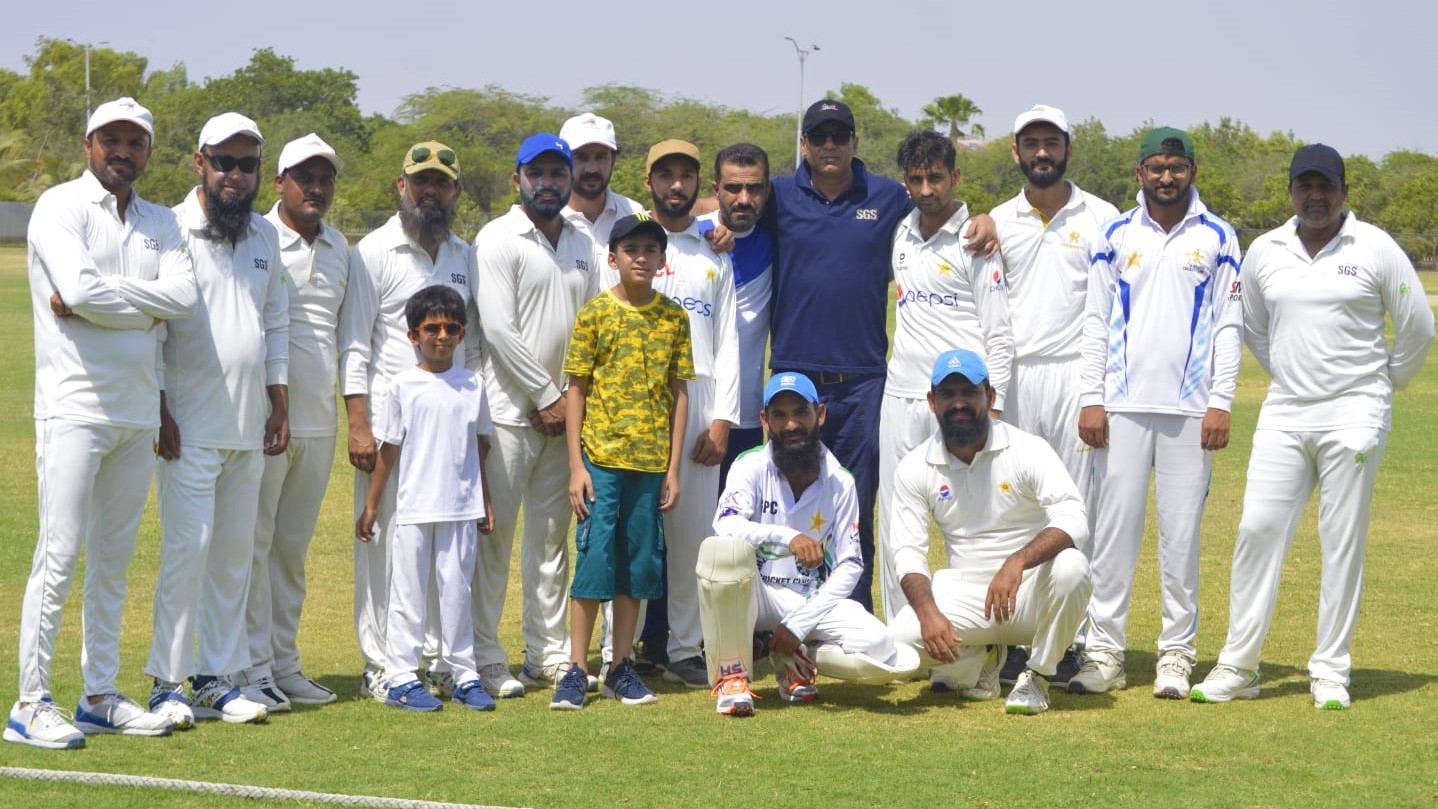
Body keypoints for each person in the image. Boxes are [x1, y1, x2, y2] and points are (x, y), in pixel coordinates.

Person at [1191, 144, 1434, 710]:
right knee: (1256, 530)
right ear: (1292, 191)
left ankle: (1330, 670)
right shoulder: (1266, 250)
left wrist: (1381, 383)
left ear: (1345, 192)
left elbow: (1417, 325)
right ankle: (1239, 666)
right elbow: (1254, 327)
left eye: (1326, 186)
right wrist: (1290, 375)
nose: (1316, 196)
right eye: (1306, 186)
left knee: (1340, 540)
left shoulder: (1374, 246)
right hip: (1286, 410)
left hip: (1355, 411)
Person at [8, 98, 196, 749]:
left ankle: (100, 695)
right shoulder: (60, 205)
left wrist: (106, 299)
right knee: (58, 554)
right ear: (89, 143)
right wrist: (138, 305)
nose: (123, 150)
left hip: (137, 410)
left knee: (113, 562)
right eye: (111, 139)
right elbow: (80, 294)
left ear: (148, 149)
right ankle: (31, 701)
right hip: (74, 407)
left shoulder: (163, 219)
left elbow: (182, 299)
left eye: (135, 141)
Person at [763, 100, 996, 612]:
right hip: (793, 379)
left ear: (854, 143)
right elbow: (723, 210)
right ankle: (786, 617)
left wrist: (987, 218)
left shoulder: (890, 197)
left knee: (864, 506)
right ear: (804, 143)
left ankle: (860, 616)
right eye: (819, 136)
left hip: (866, 381)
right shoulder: (778, 196)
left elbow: (946, 211)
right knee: (789, 501)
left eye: (839, 136)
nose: (829, 145)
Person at [1072, 127, 1243, 700]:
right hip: (1120, 408)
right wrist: (1090, 398)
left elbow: (1228, 324)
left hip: (1190, 411)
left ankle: (1176, 654)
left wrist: (1220, 402)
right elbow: (1095, 320)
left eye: (1176, 167)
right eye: (1155, 167)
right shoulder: (1116, 232)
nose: (1166, 176)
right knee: (1112, 535)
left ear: (1191, 171)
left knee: (1181, 537)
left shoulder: (1218, 236)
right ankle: (1105, 652)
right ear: (1139, 173)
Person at [147, 112, 288, 727]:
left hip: (247, 424)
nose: (235, 174)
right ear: (199, 162)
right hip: (187, 426)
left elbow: (275, 321)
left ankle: (214, 678)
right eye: (223, 162)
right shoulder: (168, 228)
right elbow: (151, 330)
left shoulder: (263, 236)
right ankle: (165, 682)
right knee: (188, 550)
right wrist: (159, 408)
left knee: (233, 555)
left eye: (247, 164)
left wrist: (278, 397)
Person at [338, 140, 483, 700]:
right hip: (389, 427)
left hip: (448, 432)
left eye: (441, 182)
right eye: (420, 181)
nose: (430, 191)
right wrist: (358, 424)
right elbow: (354, 343)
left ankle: (440, 660)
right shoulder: (372, 251)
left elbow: (473, 350)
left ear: (455, 192)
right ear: (401, 187)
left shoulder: (463, 254)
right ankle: (383, 664)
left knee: (446, 552)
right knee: (384, 547)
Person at [988, 104, 1119, 687]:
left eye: (1052, 142)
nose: (1042, 152)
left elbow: (1112, 314)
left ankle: (1073, 640)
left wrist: (1098, 393)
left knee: (1075, 508)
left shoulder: (1103, 217)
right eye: (1031, 143)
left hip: (1077, 376)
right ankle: (1019, 637)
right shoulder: (996, 220)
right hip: (1014, 377)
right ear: (1016, 152)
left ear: (1068, 148)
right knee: (1018, 506)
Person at [699, 373, 920, 717]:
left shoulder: (841, 482)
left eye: (800, 413)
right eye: (780, 415)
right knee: (721, 553)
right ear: (764, 421)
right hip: (757, 595)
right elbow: (725, 525)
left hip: (809, 600)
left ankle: (791, 655)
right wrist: (789, 537)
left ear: (820, 414)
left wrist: (799, 626)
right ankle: (733, 677)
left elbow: (850, 565)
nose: (791, 425)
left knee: (878, 643)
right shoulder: (750, 466)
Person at [600, 140, 738, 689]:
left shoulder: (713, 252)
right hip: (632, 405)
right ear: (649, 181)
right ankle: (620, 652)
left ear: (697, 184)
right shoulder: (632, 241)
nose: (675, 185)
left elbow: (730, 341)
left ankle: (684, 647)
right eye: (665, 176)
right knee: (627, 533)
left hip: (698, 403)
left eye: (686, 176)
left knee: (692, 538)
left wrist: (723, 418)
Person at [888, 350, 1092, 715]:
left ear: (990, 396)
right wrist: (928, 613)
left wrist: (1017, 562)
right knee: (900, 643)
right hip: (969, 598)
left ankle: (1038, 675)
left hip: (1029, 593)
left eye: (969, 392)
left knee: (1073, 568)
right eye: (948, 394)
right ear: (932, 402)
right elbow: (906, 551)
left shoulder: (1028, 448)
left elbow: (1074, 518)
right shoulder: (914, 466)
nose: (959, 403)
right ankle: (980, 662)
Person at [471, 133, 597, 694]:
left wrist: (566, 403)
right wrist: (547, 395)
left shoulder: (583, 241)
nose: (548, 183)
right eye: (536, 173)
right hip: (508, 411)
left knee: (551, 541)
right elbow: (498, 329)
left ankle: (545, 652)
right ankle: (483, 653)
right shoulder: (498, 238)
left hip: (563, 415)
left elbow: (590, 325)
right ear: (516, 178)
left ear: (570, 179)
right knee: (494, 540)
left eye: (557, 173)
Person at [553, 213, 694, 710]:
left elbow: (680, 394)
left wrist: (673, 468)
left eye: (650, 250)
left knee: (639, 566)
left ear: (662, 259)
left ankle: (620, 667)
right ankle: (576, 668)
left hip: (651, 465)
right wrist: (576, 465)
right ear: (613, 258)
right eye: (631, 249)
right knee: (595, 562)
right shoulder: (595, 313)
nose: (641, 257)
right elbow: (577, 389)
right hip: (601, 462)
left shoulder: (674, 318)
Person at [877, 129, 1012, 625]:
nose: (928, 188)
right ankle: (903, 634)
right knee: (896, 517)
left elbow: (999, 335)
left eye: (937, 177)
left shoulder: (977, 239)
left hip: (960, 403)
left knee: (972, 522)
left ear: (955, 176)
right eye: (917, 179)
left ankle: (980, 641)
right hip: (902, 395)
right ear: (905, 182)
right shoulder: (901, 233)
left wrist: (992, 406)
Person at [239, 133, 348, 711]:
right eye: (304, 177)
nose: (316, 187)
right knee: (255, 544)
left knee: (292, 549)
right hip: (262, 420)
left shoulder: (339, 246)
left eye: (325, 177)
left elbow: (345, 338)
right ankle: (252, 667)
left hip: (319, 421)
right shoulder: (255, 236)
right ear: (279, 181)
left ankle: (285, 663)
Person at [356, 285, 497, 713]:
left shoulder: (473, 383)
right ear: (413, 335)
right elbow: (389, 448)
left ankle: (463, 673)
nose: (442, 336)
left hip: (461, 506)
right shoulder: (402, 385)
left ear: (462, 332)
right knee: (408, 593)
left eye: (451, 328)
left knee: (456, 591)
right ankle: (401, 676)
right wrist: (372, 505)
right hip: (415, 506)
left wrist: (485, 500)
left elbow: (480, 446)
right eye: (431, 328)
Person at [697, 143, 774, 484]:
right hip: (685, 410)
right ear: (716, 189)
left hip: (744, 415)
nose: (744, 199)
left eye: (754, 188)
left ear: (767, 190)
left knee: (734, 530)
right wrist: (701, 229)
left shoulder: (779, 240)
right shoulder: (688, 232)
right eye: (733, 188)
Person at [559, 112, 644, 269]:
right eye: (581, 157)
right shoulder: (547, 220)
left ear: (613, 160)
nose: (592, 169)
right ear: (563, 160)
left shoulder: (635, 214)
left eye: (601, 157)